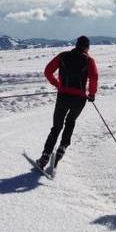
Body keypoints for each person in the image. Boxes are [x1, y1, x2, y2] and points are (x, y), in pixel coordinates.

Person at [35, 35, 98, 174]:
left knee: (56, 127)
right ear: (87, 47)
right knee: (70, 122)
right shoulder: (89, 60)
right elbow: (94, 77)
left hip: (63, 96)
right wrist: (92, 93)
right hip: (79, 99)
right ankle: (62, 148)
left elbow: (48, 71)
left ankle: (45, 157)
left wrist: (58, 85)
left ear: (76, 45)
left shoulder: (63, 56)